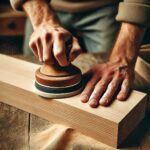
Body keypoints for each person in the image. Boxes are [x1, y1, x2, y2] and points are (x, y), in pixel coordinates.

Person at [10, 0, 150, 107]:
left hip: (105, 6)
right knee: (32, 62)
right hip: (44, 3)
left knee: (113, 83)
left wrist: (122, 57)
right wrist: (43, 21)